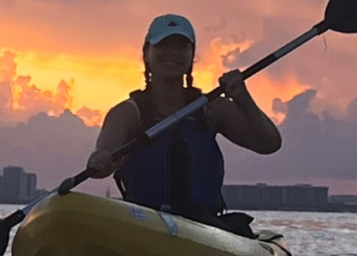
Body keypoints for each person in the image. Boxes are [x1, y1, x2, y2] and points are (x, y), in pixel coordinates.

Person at [85, 13, 281, 229]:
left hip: (203, 227)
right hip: (144, 225)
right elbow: (103, 165)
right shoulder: (127, 114)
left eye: (181, 47)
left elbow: (269, 144)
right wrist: (99, 161)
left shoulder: (212, 109)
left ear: (191, 55)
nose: (173, 53)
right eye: (163, 46)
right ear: (146, 53)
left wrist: (243, 99)